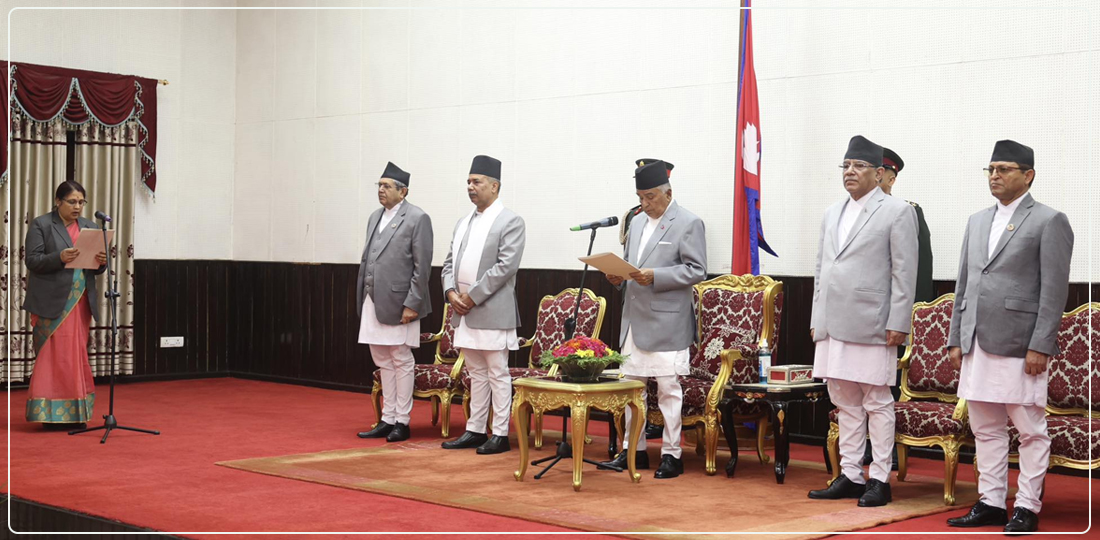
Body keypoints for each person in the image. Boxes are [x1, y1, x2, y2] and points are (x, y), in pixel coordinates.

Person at [945, 140, 1073, 533]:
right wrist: (956, 336)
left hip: (1021, 344)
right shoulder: (977, 220)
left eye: (1004, 169)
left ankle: (1028, 506)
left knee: (1030, 429)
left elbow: (1054, 291)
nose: (995, 176)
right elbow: (965, 283)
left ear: (1028, 175)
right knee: (985, 428)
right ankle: (991, 502)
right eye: (991, 169)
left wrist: (1041, 344)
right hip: (977, 341)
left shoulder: (1049, 221)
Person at [806, 136, 918, 507]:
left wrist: (899, 321)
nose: (850, 172)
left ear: (879, 173)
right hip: (833, 323)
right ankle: (851, 474)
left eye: (859, 166)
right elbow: (822, 270)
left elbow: (904, 273)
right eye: (846, 165)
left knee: (877, 401)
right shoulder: (831, 212)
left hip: (874, 322)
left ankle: (879, 479)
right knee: (844, 401)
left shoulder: (897, 211)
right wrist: (817, 317)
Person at [598, 159, 707, 479]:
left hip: (667, 321)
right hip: (634, 319)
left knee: (669, 389)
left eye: (650, 197)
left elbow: (697, 270)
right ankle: (634, 450)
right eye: (640, 197)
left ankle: (672, 454)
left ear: (668, 193)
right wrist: (617, 277)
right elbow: (630, 266)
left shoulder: (689, 222)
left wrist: (656, 276)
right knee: (632, 388)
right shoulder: (635, 223)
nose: (644, 204)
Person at [440, 155, 525, 455]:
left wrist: (472, 296)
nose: (470, 187)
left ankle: (500, 433)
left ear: (494, 186)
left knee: (497, 372)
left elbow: (505, 267)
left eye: (476, 182)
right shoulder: (463, 222)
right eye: (468, 182)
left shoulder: (510, 221)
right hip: (463, 310)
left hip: (491, 310)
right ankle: (475, 429)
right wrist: (451, 292)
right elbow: (448, 263)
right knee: (475, 373)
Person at [355, 162, 434, 443]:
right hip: (372, 298)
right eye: (379, 185)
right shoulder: (374, 217)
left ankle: (403, 421)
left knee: (400, 358)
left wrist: (413, 303)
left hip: (401, 302)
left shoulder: (417, 218)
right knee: (381, 359)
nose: (381, 190)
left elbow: (422, 266)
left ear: (403, 191)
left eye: (386, 186)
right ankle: (387, 419)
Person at [23, 180, 108, 427]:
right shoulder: (42, 224)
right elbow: (32, 260)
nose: (77, 206)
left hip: (79, 302)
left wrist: (101, 262)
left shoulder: (91, 227)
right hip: (51, 302)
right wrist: (59, 257)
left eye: (81, 202)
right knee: (52, 357)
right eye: (72, 201)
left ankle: (76, 413)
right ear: (58, 201)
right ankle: (48, 415)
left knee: (74, 355)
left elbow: (95, 268)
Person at [879, 147, 934, 304]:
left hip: (893, 303)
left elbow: (922, 264)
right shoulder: (852, 214)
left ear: (891, 180)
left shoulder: (909, 211)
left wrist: (918, 308)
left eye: (878, 174)